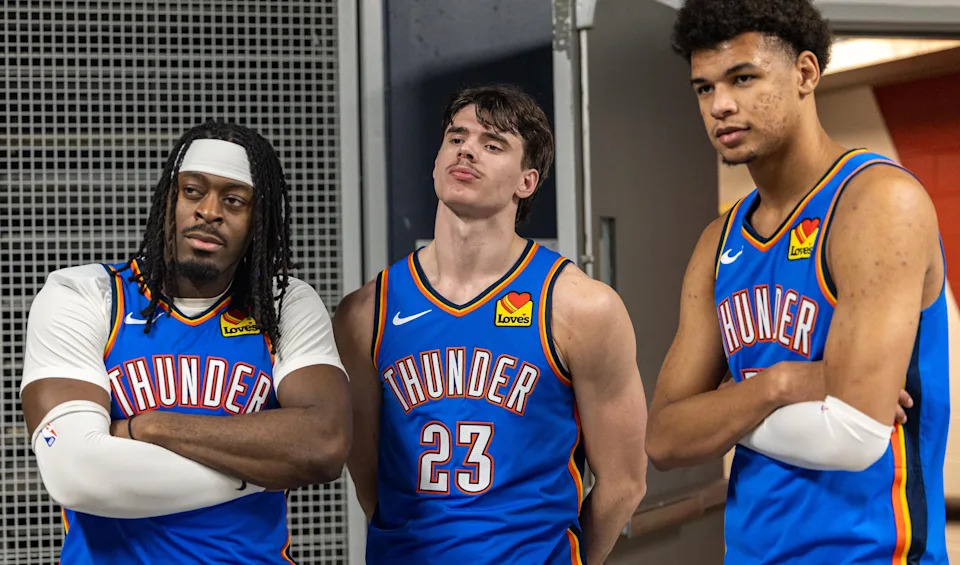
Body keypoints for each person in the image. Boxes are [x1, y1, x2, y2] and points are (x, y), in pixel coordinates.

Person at [646, 1, 949, 563]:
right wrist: (778, 385)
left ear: (806, 73)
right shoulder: (718, 242)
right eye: (704, 88)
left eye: (743, 78)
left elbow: (853, 437)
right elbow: (663, 439)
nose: (721, 105)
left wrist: (720, 416)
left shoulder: (877, 202)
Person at [334, 84, 648, 564]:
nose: (467, 149)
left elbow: (625, 481)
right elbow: (367, 471)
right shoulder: (365, 312)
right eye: (456, 137)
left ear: (527, 181)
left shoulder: (580, 307)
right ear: (437, 162)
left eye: (493, 144)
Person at [20, 121, 352, 564]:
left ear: (258, 221)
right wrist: (269, 468)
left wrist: (153, 426)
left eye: (234, 201)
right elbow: (78, 476)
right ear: (168, 201)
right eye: (193, 191)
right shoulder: (83, 294)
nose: (209, 211)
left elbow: (325, 443)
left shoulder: (282, 303)